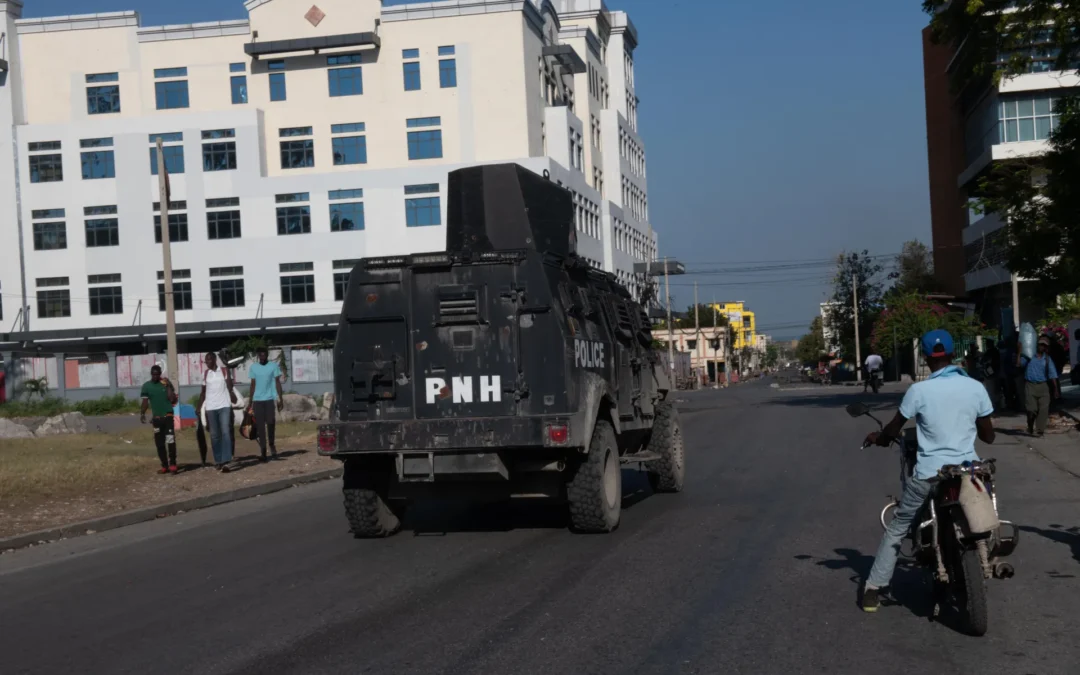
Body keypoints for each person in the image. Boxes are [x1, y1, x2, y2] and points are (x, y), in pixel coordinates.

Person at [860, 329, 995, 613]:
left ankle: (873, 590)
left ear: (923, 356)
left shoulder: (918, 391)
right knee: (986, 505)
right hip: (969, 470)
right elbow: (989, 436)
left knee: (898, 528)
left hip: (930, 473)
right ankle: (989, 548)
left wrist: (878, 438)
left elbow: (893, 430)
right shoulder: (974, 387)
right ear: (952, 354)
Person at [198, 352, 237, 472]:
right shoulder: (205, 374)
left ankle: (226, 461)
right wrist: (198, 407)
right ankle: (218, 460)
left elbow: (230, 386)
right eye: (206, 360)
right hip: (211, 407)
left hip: (224, 405)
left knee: (225, 432)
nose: (207, 362)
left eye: (209, 360)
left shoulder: (224, 371)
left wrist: (229, 371)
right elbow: (203, 392)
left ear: (214, 360)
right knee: (214, 435)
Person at [140, 365, 180, 474]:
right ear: (151, 374)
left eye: (157, 374)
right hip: (157, 419)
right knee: (159, 443)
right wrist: (142, 413)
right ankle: (164, 466)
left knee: (170, 440)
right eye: (154, 374)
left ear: (160, 374)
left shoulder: (165, 384)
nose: (155, 376)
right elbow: (145, 402)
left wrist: (168, 386)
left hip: (168, 416)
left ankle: (172, 464)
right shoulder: (146, 386)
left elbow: (172, 399)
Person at [248, 347, 285, 461]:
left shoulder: (273, 366)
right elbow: (253, 384)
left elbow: (277, 382)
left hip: (269, 398)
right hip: (258, 400)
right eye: (261, 355)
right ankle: (263, 450)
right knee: (260, 426)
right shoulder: (253, 367)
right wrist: (250, 402)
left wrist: (280, 398)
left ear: (267, 355)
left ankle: (272, 444)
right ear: (258, 356)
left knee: (271, 422)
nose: (262, 357)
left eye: (264, 355)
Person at [1019, 335, 1060, 437]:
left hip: (1043, 386)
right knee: (1031, 409)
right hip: (1030, 385)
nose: (1042, 347)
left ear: (1046, 348)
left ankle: (1040, 430)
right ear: (1036, 345)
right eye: (1040, 344)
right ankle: (1030, 424)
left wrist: (1056, 389)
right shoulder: (1029, 356)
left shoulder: (1047, 359)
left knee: (1043, 410)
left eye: (1044, 345)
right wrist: (1019, 351)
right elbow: (1018, 364)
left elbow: (1053, 375)